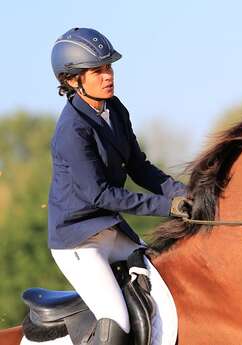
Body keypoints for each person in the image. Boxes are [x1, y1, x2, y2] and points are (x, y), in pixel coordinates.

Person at [48, 27, 191, 345]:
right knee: (117, 316)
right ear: (73, 80)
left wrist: (179, 192)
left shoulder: (114, 109)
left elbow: (139, 167)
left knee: (168, 289)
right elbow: (100, 194)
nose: (108, 75)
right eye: (97, 70)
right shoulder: (72, 130)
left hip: (111, 231)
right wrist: (166, 207)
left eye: (109, 67)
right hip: (78, 243)